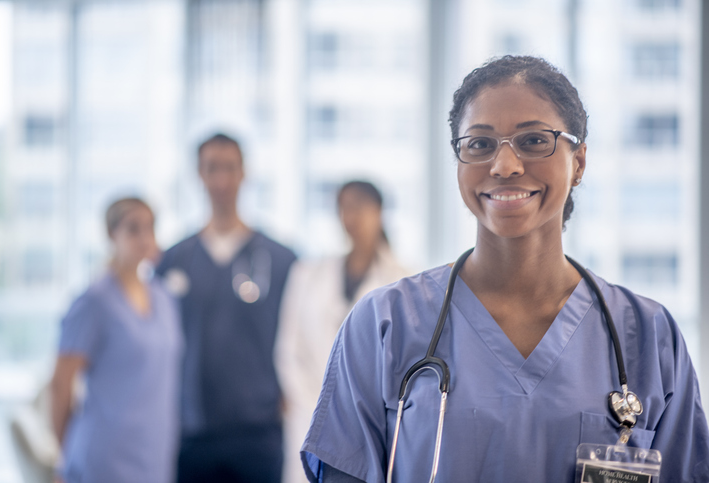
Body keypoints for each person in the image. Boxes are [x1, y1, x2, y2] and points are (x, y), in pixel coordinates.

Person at [300, 56, 709, 482]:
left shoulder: (647, 335)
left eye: (534, 140)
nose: (505, 165)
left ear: (580, 162)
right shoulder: (383, 324)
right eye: (479, 144)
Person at [156, 133, 297, 483]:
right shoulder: (174, 260)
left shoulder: (282, 260)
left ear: (244, 173)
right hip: (191, 432)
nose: (221, 179)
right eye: (212, 168)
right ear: (199, 175)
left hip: (259, 433)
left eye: (229, 168)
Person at [276, 180, 411, 483]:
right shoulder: (307, 274)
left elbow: (401, 365)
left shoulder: (404, 281)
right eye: (345, 207)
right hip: (308, 413)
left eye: (361, 206)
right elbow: (288, 351)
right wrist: (316, 406)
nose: (352, 216)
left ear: (380, 212)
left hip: (371, 422)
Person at [50, 197, 183, 483]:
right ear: (112, 234)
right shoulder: (95, 302)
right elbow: (61, 384)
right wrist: (64, 456)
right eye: (133, 229)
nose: (144, 238)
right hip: (104, 456)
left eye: (150, 228)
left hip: (154, 454)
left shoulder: (163, 298)